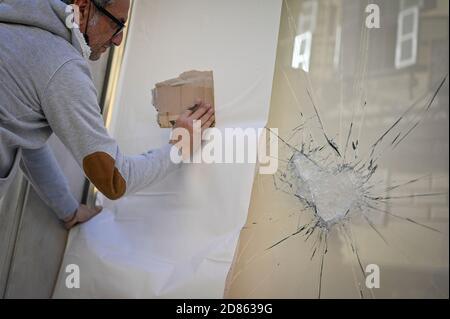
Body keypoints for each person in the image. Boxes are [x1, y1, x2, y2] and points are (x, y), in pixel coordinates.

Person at [0, 0, 215, 229]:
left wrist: (68, 209)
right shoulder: (62, 67)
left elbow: (27, 140)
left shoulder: (14, 24)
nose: (118, 40)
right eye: (116, 24)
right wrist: (179, 149)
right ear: (82, 8)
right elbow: (115, 179)